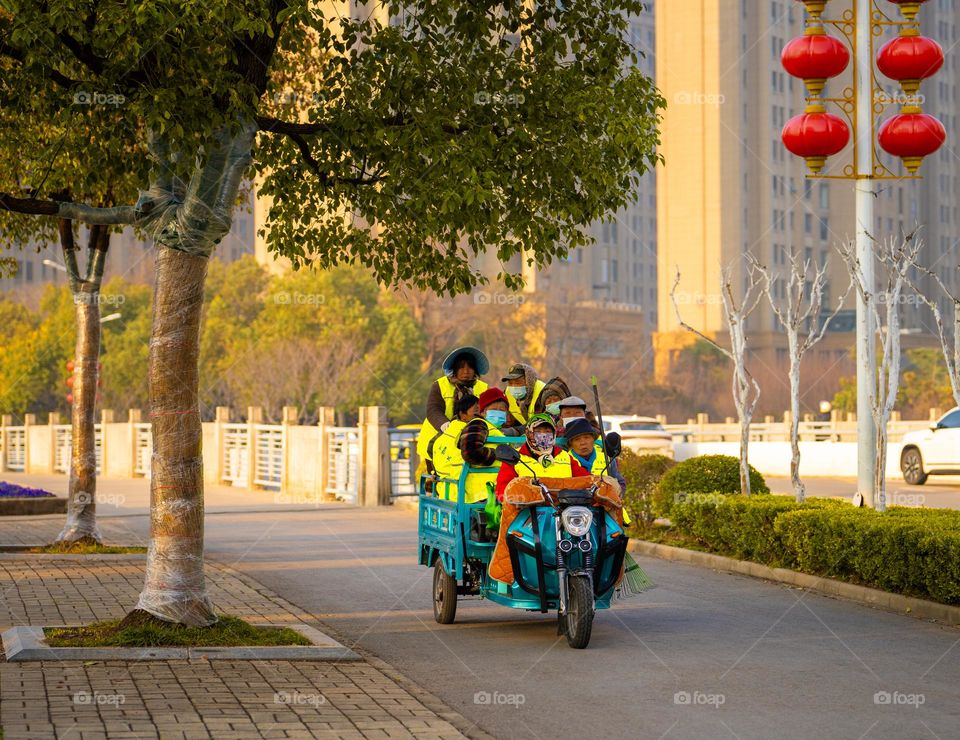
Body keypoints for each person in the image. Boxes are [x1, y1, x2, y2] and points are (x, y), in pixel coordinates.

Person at [417, 347, 489, 472]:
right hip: (437, 437)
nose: (466, 371)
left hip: (470, 438)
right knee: (439, 478)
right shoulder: (440, 385)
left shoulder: (483, 388)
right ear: (454, 369)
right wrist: (446, 425)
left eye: (470, 367)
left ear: (475, 370)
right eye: (461, 367)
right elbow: (433, 409)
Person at [495, 414, 590, 502]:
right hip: (528, 511)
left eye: (548, 431)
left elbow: (585, 480)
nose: (543, 435)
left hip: (563, 511)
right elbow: (503, 490)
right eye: (538, 431)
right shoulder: (515, 457)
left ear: (554, 434)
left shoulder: (564, 456)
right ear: (528, 433)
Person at [456, 388, 516, 505]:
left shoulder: (495, 430)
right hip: (481, 493)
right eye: (493, 409)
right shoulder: (478, 423)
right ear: (483, 412)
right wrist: (498, 455)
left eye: (502, 410)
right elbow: (470, 451)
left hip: (494, 491)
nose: (498, 412)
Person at [430, 394, 480, 499]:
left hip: (446, 488)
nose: (480, 415)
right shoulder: (469, 431)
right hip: (465, 490)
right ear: (462, 414)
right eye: (476, 413)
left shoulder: (449, 430)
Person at [501, 363, 546, 428]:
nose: (514, 387)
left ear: (528, 381)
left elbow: (541, 423)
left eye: (518, 383)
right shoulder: (508, 393)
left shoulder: (542, 391)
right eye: (510, 383)